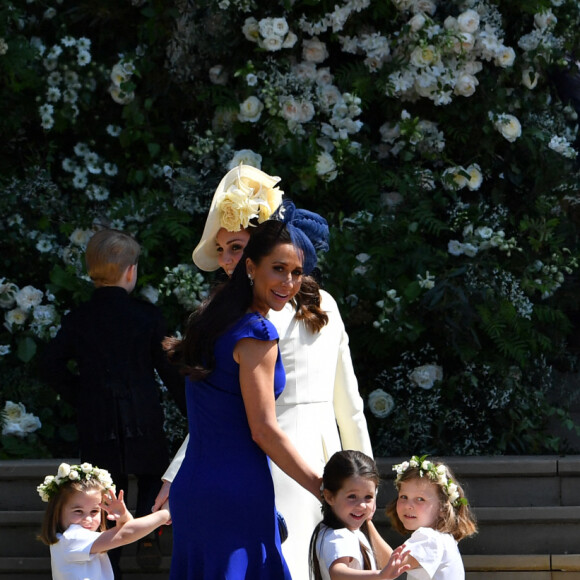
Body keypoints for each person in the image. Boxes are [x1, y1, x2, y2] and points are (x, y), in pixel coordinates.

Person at [154, 164, 373, 580]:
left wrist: (361, 482)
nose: (226, 261)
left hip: (292, 461)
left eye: (235, 247)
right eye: (223, 250)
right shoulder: (241, 321)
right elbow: (236, 412)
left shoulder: (230, 316)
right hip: (266, 467)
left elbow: (349, 402)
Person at [162, 213, 329, 579]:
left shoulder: (212, 320)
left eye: (297, 272)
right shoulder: (257, 331)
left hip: (193, 488)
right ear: (251, 268)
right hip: (234, 493)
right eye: (278, 269)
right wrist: (325, 490)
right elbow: (264, 431)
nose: (289, 282)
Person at [39, 228, 187, 577]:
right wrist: (192, 409)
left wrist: (80, 395)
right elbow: (167, 368)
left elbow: (49, 366)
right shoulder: (147, 316)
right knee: (152, 471)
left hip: (98, 417)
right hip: (141, 412)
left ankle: (112, 558)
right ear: (131, 271)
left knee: (103, 486)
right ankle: (151, 531)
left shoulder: (79, 318)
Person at [38, 462, 171, 580]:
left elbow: (128, 532)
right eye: (78, 511)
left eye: (94, 511)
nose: (88, 519)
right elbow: (126, 535)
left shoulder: (70, 539)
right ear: (57, 511)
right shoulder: (72, 537)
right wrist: (165, 514)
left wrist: (123, 516)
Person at [310, 450, 411, 579]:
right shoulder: (338, 535)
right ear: (329, 497)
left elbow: (387, 564)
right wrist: (379, 575)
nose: (362, 505)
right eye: (352, 496)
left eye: (368, 497)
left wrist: (368, 521)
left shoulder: (351, 531)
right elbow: (337, 572)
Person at [386, 455, 478, 579]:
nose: (408, 505)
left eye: (420, 499)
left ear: (443, 509)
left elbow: (388, 568)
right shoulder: (443, 539)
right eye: (403, 497)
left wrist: (367, 524)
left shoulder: (430, 538)